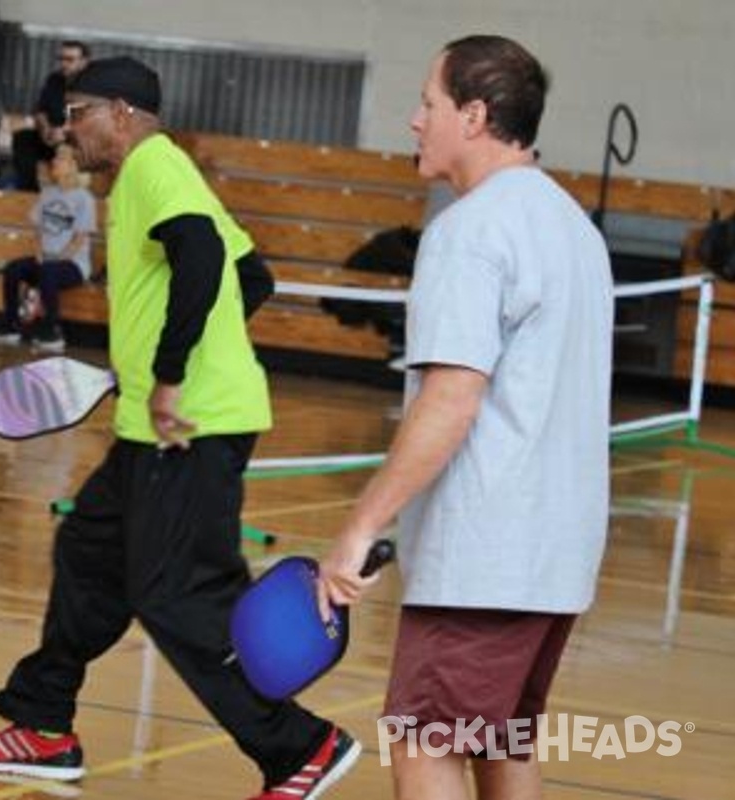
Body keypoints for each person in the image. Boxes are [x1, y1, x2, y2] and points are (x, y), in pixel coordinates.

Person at [0, 57, 359, 800]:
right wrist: (173, 365)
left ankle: (298, 746)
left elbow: (203, 255)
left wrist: (173, 372)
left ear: (122, 113)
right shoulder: (161, 177)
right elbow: (252, 277)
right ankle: (42, 723)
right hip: (156, 424)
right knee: (87, 553)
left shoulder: (152, 167)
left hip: (190, 426)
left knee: (175, 593)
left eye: (78, 114)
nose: (67, 131)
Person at [316, 36, 613, 800]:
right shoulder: (573, 228)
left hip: (485, 560)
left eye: (429, 102)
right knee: (503, 742)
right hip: (557, 556)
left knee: (425, 742)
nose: (416, 121)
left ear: (474, 115)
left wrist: (360, 526)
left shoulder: (469, 231)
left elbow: (451, 399)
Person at [0, 145, 96, 352]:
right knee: (13, 269)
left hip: (73, 265)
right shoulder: (48, 193)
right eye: (55, 158)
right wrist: (39, 252)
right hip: (45, 259)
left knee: (48, 273)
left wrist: (55, 260)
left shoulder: (84, 199)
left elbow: (79, 239)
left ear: (74, 166)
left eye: (60, 159)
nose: (54, 162)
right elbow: (38, 231)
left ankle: (51, 330)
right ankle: (11, 324)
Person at [10, 40, 90, 192]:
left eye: (70, 59)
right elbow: (41, 110)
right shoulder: (54, 79)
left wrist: (66, 134)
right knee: (22, 138)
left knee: (67, 152)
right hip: (50, 135)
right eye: (62, 59)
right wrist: (45, 129)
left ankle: (67, 200)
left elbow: (90, 122)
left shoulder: (92, 87)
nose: (64, 63)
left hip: (75, 142)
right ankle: (28, 192)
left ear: (84, 61)